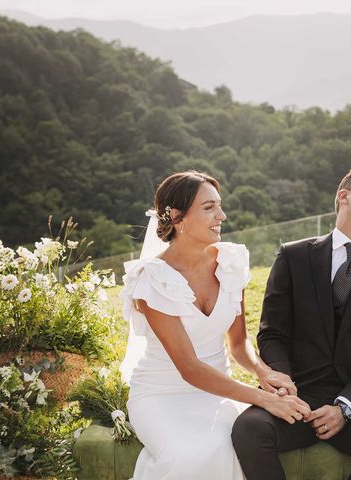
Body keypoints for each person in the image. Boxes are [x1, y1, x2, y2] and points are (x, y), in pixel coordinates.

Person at [120, 171, 311, 480]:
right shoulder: (152, 280)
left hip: (216, 394)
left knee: (234, 446)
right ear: (176, 216)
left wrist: (264, 372)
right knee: (189, 458)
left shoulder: (231, 262)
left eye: (219, 206)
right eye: (209, 208)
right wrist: (263, 397)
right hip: (161, 396)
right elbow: (189, 367)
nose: (221, 216)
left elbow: (238, 344)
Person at [232, 162, 351, 480]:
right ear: (344, 196)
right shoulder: (293, 256)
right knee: (249, 429)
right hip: (296, 393)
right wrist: (284, 389)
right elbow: (272, 333)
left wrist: (346, 407)